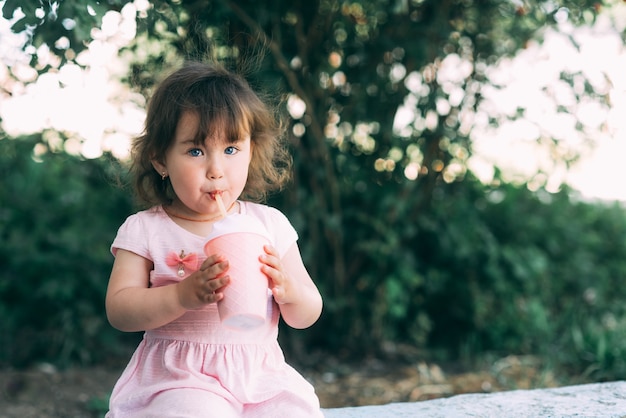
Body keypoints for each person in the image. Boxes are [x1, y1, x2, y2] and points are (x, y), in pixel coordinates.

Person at [105, 61, 324, 417]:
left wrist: (289, 292)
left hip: (261, 378)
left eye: (231, 149)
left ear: (251, 149)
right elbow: (120, 310)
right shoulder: (146, 229)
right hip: (180, 378)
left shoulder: (269, 224)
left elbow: (308, 312)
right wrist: (180, 294)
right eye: (195, 151)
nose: (216, 169)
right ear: (161, 159)